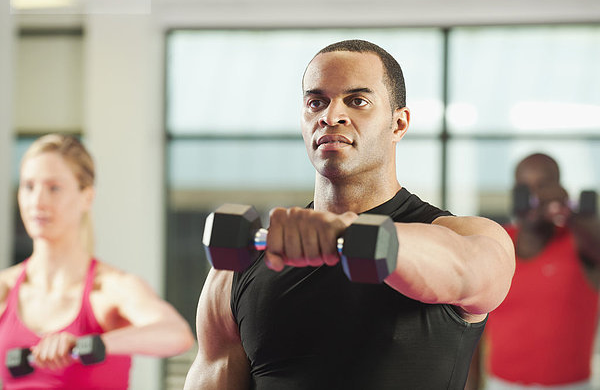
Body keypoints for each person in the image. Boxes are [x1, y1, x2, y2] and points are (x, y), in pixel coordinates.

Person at [184, 39, 516, 390]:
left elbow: (469, 269)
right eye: (316, 102)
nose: (331, 116)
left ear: (398, 124)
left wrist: (347, 233)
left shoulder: (465, 236)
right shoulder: (238, 271)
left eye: (357, 101)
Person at [0, 134, 195, 389]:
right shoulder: (5, 287)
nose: (37, 201)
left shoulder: (111, 288)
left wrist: (93, 344)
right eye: (28, 186)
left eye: (54, 188)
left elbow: (177, 335)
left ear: (87, 197)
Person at [467, 153, 600, 390]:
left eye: (544, 186)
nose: (534, 196)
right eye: (525, 188)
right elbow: (472, 323)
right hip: (503, 384)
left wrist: (569, 211)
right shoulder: (497, 241)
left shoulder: (580, 242)